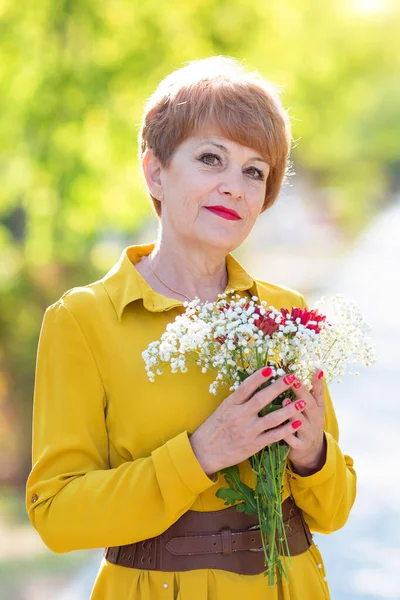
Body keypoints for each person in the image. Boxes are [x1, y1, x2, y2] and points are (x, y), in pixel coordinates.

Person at [26, 56, 356, 600]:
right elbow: (57, 515)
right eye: (211, 159)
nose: (235, 187)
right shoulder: (82, 320)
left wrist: (312, 453)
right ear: (155, 171)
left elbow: (334, 511)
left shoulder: (287, 314)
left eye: (255, 171)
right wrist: (199, 455)